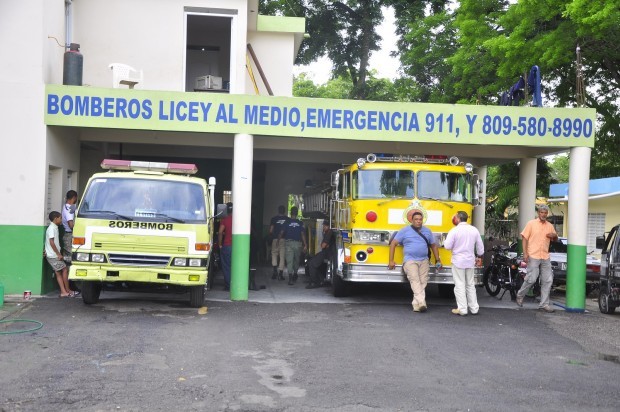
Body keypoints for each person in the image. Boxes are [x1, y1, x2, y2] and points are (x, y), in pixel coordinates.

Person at [388, 209, 441, 312]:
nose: (418, 221)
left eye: (420, 219)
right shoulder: (404, 230)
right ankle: (422, 302)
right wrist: (391, 260)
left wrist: (438, 260)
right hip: (410, 260)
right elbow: (393, 244)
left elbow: (434, 246)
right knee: (415, 280)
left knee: (423, 282)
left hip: (424, 260)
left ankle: (416, 305)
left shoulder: (427, 231)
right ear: (411, 220)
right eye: (416, 219)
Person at [516, 204, 558, 313]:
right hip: (533, 255)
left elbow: (555, 239)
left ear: (547, 214)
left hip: (545, 256)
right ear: (538, 213)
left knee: (548, 280)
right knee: (532, 278)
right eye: (541, 212)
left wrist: (553, 236)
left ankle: (544, 304)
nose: (543, 214)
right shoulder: (531, 224)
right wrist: (525, 253)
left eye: (545, 213)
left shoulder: (549, 225)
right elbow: (524, 238)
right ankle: (520, 295)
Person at [444, 211, 484, 316]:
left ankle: (462, 309)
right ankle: (474, 308)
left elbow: (447, 246)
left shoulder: (454, 230)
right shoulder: (474, 230)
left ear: (457, 218)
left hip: (458, 261)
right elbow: (480, 247)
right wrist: (479, 257)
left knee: (459, 285)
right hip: (470, 261)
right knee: (470, 284)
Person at [45, 211, 72, 297]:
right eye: (60, 218)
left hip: (53, 254)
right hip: (53, 255)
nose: (61, 220)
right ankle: (65, 291)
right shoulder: (51, 229)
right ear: (55, 219)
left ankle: (65, 291)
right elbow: (51, 242)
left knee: (59, 272)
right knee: (64, 269)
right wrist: (58, 254)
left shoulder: (54, 227)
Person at [279, 206, 307, 285]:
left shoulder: (286, 222)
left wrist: (278, 240)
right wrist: (305, 244)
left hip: (289, 244)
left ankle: (290, 278)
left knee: (289, 261)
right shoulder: (300, 223)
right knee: (296, 260)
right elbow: (302, 234)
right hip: (298, 244)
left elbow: (281, 233)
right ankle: (295, 274)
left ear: (291, 213)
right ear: (297, 213)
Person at [306, 220, 335, 289]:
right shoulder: (329, 232)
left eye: (324, 226)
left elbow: (323, 246)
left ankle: (314, 282)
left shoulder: (329, 232)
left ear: (328, 226)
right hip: (327, 253)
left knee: (311, 264)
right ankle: (321, 280)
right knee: (312, 261)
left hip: (327, 253)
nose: (323, 227)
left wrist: (324, 245)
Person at [269, 205, 288, 281]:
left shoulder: (274, 219)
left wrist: (273, 235)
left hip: (275, 239)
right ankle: (280, 274)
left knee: (274, 255)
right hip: (284, 240)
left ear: (278, 210)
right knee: (282, 256)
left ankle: (274, 273)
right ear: (284, 211)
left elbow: (270, 231)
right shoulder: (287, 219)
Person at [218, 202, 233, 291]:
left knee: (227, 266)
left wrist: (220, 244)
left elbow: (220, 232)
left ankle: (228, 286)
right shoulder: (239, 219)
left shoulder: (225, 219)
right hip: (238, 247)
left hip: (227, 246)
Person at [61, 190, 78, 265]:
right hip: (69, 235)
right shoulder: (69, 209)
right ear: (74, 198)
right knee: (72, 257)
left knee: (68, 256)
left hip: (67, 234)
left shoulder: (66, 206)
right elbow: (70, 224)